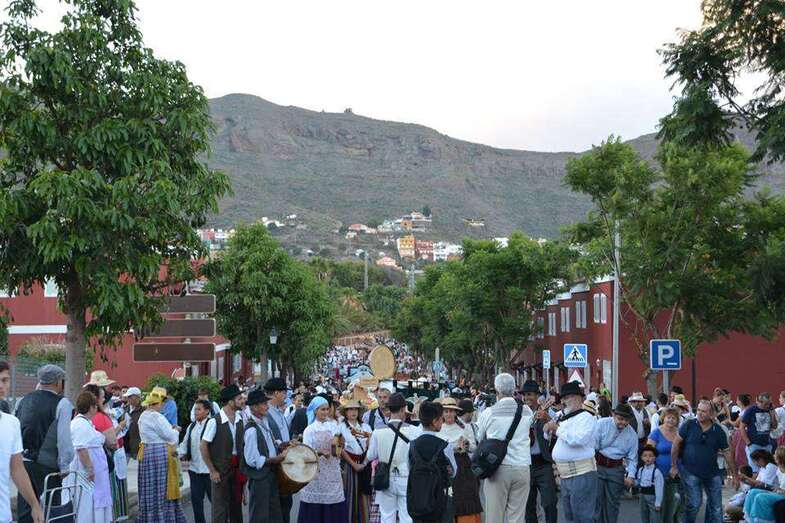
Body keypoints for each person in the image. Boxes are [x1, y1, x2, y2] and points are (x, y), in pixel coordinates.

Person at [14, 364, 74, 523]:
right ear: (58, 382)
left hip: (23, 463)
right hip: (48, 465)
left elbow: (16, 428)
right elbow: (64, 439)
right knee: (50, 511)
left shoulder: (23, 400)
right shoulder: (63, 404)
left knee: (26, 509)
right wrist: (65, 465)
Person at [476, 373, 534, 523]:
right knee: (517, 517)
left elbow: (479, 437)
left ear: (497, 390)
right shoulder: (526, 411)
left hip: (498, 468)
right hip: (522, 467)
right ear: (514, 389)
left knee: (495, 516)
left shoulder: (489, 412)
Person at [670, 399, 739, 523]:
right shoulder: (689, 424)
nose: (700, 413)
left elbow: (727, 453)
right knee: (695, 504)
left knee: (717, 508)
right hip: (690, 471)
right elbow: (675, 444)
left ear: (712, 414)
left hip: (712, 473)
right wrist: (674, 466)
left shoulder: (718, 431)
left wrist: (735, 476)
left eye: (704, 411)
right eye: (699, 410)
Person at [544, 381, 597, 523]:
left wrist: (556, 429)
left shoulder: (587, 418)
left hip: (582, 472)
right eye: (564, 398)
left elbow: (578, 440)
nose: (565, 401)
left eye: (569, 397)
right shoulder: (565, 417)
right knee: (570, 517)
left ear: (579, 398)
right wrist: (548, 428)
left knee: (583, 517)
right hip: (566, 475)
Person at [366, 392, 421, 523]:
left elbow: (370, 456)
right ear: (403, 409)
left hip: (385, 478)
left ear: (389, 409)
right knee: (407, 517)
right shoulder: (414, 431)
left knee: (386, 516)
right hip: (406, 478)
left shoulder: (377, 432)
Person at [0, 361, 44, 523]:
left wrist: (34, 504)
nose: (1, 385)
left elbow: (17, 468)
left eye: (4, 380)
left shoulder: (12, 423)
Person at [137, 388, 186, 523]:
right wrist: (175, 430)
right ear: (157, 403)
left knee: (149, 487)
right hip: (158, 453)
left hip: (146, 452)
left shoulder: (143, 416)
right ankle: (162, 518)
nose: (163, 405)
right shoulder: (157, 417)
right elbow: (171, 438)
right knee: (162, 488)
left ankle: (149, 517)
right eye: (161, 402)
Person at [298, 396, 348, 522]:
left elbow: (339, 448)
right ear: (315, 411)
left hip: (332, 472)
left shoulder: (334, 426)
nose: (326, 412)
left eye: (327, 409)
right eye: (322, 409)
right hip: (316, 474)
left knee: (333, 504)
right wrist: (319, 452)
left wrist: (340, 445)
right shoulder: (309, 430)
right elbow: (306, 453)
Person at [201, 384, 245, 523]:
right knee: (220, 510)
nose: (242, 400)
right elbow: (203, 446)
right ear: (230, 401)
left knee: (236, 507)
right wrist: (212, 470)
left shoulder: (240, 418)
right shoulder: (215, 421)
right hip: (220, 470)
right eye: (239, 398)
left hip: (236, 469)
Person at [407, 401, 456, 523]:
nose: (442, 422)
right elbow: (454, 471)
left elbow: (409, 468)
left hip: (418, 498)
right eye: (441, 419)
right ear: (435, 421)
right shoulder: (445, 445)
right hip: (440, 499)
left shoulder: (411, 445)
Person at [435, 397, 481, 523]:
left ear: (456, 412)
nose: (449, 414)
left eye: (451, 411)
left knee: (465, 499)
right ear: (442, 413)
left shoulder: (464, 427)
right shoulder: (438, 427)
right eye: (446, 411)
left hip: (462, 467)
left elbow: (474, 447)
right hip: (444, 467)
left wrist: (466, 445)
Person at [242, 389, 285, 523]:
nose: (267, 406)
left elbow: (270, 443)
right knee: (259, 516)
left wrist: (284, 444)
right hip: (260, 478)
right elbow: (252, 460)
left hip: (270, 474)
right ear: (254, 407)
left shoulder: (264, 422)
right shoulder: (251, 429)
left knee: (274, 513)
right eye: (264, 403)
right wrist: (274, 460)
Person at [70, 390, 113, 523]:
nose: (97, 409)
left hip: (98, 475)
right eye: (95, 406)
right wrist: (90, 468)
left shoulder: (87, 423)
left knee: (96, 505)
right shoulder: (79, 424)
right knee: (87, 508)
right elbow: (81, 448)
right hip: (87, 475)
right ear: (90, 407)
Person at [593, 403, 638, 523]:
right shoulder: (602, 424)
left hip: (616, 469)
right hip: (598, 466)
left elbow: (633, 458)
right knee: (596, 501)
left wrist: (631, 476)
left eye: (626, 420)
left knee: (612, 503)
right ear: (613, 415)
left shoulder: (632, 434)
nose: (623, 422)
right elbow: (593, 446)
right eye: (620, 419)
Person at [521, 380, 557, 523]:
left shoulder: (548, 411)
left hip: (543, 464)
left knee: (550, 503)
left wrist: (547, 418)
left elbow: (558, 430)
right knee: (528, 505)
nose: (527, 398)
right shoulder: (520, 413)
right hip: (525, 463)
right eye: (524, 395)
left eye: (530, 394)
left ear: (537, 396)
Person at [264, 377, 294, 523]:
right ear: (276, 393)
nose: (286, 396)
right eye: (284, 393)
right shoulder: (265, 415)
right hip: (274, 468)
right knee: (277, 510)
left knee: (286, 506)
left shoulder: (279, 412)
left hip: (284, 467)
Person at [179, 399, 213, 523]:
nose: (196, 412)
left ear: (207, 411)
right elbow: (184, 444)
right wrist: (176, 454)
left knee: (215, 503)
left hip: (209, 471)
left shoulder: (212, 424)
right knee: (196, 503)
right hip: (194, 471)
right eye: (195, 410)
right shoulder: (191, 426)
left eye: (199, 409)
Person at [339, 398, 372, 523]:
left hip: (364, 463)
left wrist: (364, 463)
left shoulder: (366, 427)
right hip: (348, 464)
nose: (353, 412)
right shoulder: (341, 427)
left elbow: (371, 446)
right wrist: (353, 464)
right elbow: (340, 448)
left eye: (355, 409)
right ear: (345, 412)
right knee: (349, 495)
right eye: (350, 409)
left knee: (364, 495)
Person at [647, 407, 682, 523]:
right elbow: (648, 452)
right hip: (659, 473)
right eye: (668, 417)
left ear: (677, 420)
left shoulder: (680, 433)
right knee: (660, 502)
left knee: (675, 502)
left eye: (674, 418)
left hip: (677, 473)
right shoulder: (656, 432)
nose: (671, 420)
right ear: (663, 418)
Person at [741, 446, 785, 523]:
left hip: (781, 493)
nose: (773, 456)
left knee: (760, 497)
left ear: (780, 458)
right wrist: (744, 480)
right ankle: (749, 520)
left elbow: (762, 484)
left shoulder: (771, 467)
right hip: (777, 491)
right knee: (752, 492)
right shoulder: (778, 469)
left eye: (775, 454)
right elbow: (757, 483)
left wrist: (746, 478)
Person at [741, 393, 778, 472]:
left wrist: (772, 414)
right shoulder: (751, 410)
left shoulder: (770, 410)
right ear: (758, 402)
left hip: (767, 445)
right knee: (755, 470)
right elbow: (742, 427)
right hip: (754, 445)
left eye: (769, 403)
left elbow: (774, 426)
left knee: (767, 470)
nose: (768, 406)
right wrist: (749, 444)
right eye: (765, 404)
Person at [635, 445, 664, 523]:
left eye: (650, 456)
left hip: (652, 496)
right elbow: (638, 482)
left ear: (655, 458)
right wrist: (631, 482)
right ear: (641, 457)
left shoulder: (657, 472)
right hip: (642, 495)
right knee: (644, 515)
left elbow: (659, 488)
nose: (648, 458)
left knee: (655, 517)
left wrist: (658, 503)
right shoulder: (641, 470)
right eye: (645, 456)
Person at [123, 387, 144, 461]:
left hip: (138, 445)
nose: (128, 399)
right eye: (128, 397)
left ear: (137, 397)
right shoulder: (125, 408)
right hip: (126, 444)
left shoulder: (143, 410)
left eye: (130, 397)